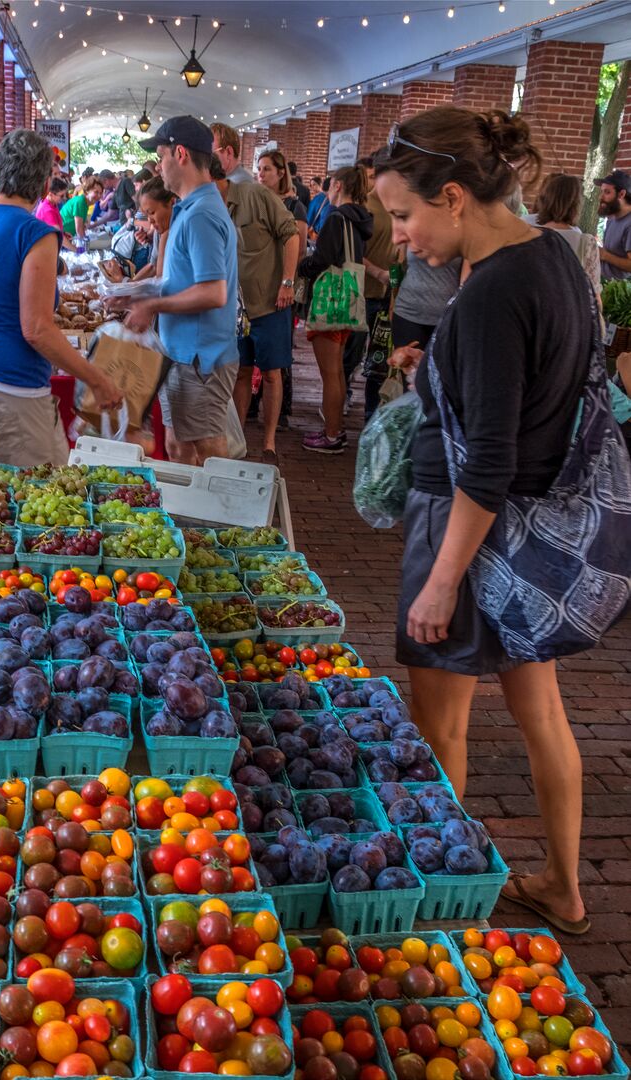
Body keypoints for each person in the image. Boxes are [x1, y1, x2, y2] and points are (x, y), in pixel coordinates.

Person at [375, 105, 599, 935]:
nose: (400, 236)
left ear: (457, 195)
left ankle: (437, 898)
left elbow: (488, 461)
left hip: (468, 531)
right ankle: (565, 886)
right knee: (542, 712)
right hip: (530, 533)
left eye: (405, 215)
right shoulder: (556, 257)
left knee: (440, 722)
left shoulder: (491, 292)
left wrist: (439, 583)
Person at [0, 128, 122, 465]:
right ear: (43, 187)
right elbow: (36, 329)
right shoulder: (36, 233)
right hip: (12, 396)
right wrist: (98, 380)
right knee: (41, 507)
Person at [122, 116, 239, 465]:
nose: (159, 167)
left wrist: (153, 306)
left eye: (161, 156)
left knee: (209, 450)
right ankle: (187, 517)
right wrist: (135, 292)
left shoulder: (201, 213)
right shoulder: (191, 208)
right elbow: (183, 279)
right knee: (177, 446)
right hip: (183, 354)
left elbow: (213, 292)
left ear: (181, 154)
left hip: (201, 358)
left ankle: (219, 518)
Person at [210, 155, 299, 464]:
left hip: (271, 303)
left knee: (273, 373)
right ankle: (240, 440)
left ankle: (271, 441)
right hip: (234, 309)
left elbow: (291, 234)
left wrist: (287, 282)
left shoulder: (255, 195)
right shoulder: (208, 209)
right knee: (241, 373)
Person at [297, 165, 373, 454]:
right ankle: (336, 429)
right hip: (350, 296)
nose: (327, 190)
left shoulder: (336, 218)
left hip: (330, 298)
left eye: (330, 185)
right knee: (339, 371)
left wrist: (302, 264)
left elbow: (323, 259)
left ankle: (331, 435)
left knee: (329, 373)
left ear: (339, 186)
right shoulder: (359, 219)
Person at [343, 150, 401, 421]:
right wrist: (377, 272)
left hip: (386, 297)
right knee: (350, 355)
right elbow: (353, 252)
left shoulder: (400, 206)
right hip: (360, 292)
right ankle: (340, 397)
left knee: (379, 360)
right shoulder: (365, 205)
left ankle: (371, 414)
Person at [525, 173, 601, 297]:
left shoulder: (523, 228)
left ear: (544, 198)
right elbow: (593, 296)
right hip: (566, 312)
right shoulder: (585, 242)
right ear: (576, 204)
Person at [257, 150, 308, 252]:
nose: (261, 174)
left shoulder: (295, 207)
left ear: (281, 173)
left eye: (266, 169)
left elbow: (300, 251)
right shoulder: (256, 202)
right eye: (259, 169)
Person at [597, 169, 631, 280]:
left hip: (617, 292)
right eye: (601, 192)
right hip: (601, 285)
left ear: (621, 194)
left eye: (607, 192)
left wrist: (605, 255)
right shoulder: (613, 217)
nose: (601, 197)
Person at [60, 176, 102, 250]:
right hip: (61, 239)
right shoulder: (80, 202)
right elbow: (79, 230)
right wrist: (84, 248)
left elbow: (82, 227)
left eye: (100, 193)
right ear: (87, 191)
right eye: (96, 192)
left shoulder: (85, 203)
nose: (99, 196)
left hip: (66, 238)